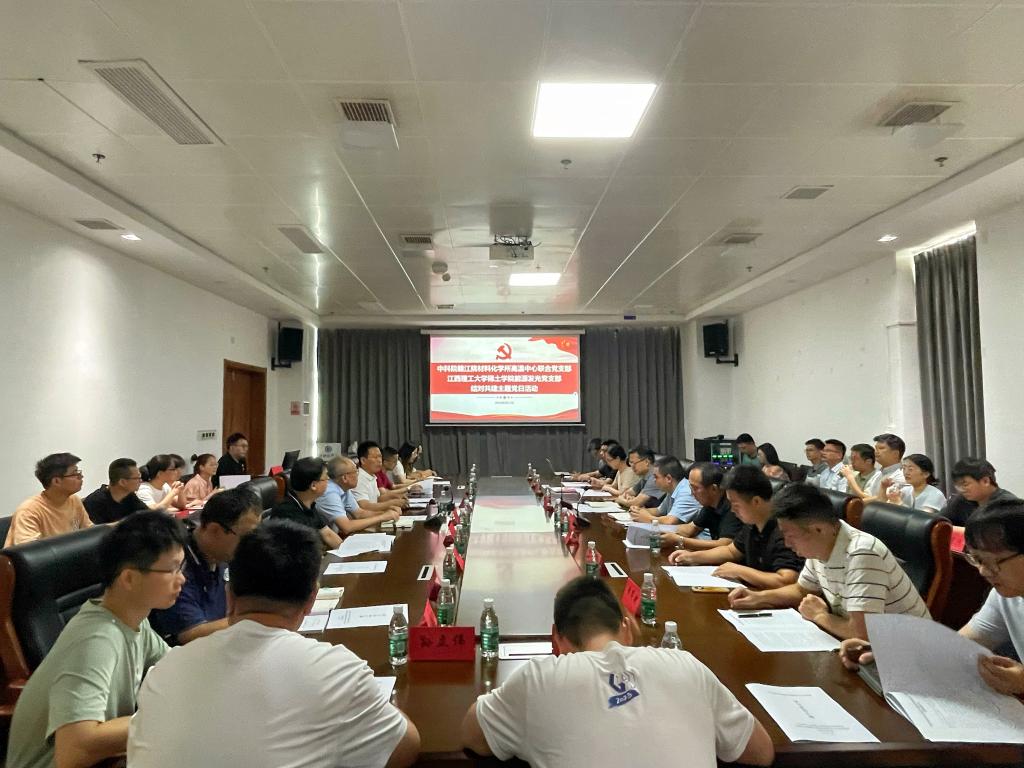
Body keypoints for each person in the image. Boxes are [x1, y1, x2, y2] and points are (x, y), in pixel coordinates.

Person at [128, 520, 421, 768]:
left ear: (230, 597)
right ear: (311, 600)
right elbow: (405, 748)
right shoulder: (337, 671)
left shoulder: (164, 670)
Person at [459, 576, 773, 768]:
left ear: (557, 639)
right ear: (626, 628)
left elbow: (472, 736)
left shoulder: (538, 679)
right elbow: (761, 752)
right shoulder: (685, 664)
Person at [6, 512, 185, 768]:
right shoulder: (97, 638)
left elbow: (177, 666)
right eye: (172, 569)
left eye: (181, 567)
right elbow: (75, 748)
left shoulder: (134, 620)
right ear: (129, 578)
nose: (182, 579)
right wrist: (168, 718)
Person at [840, 499, 1024, 696]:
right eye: (978, 560)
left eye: (993, 562)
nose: (983, 571)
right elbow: (958, 646)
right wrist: (890, 650)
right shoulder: (1005, 597)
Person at [728, 484, 929, 639]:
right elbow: (801, 590)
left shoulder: (862, 553)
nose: (787, 543)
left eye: (790, 535)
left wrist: (820, 616)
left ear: (818, 529)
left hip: (908, 654)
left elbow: (863, 634)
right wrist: (758, 597)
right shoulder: (821, 545)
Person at [149, 488, 262, 645]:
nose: (250, 545)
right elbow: (190, 634)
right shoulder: (175, 565)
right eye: (246, 537)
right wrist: (259, 619)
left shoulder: (224, 554)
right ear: (214, 530)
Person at [669, 466, 804, 590]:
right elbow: (731, 551)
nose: (733, 510)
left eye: (736, 504)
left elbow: (787, 580)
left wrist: (740, 571)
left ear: (756, 501)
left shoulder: (784, 529)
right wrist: (692, 557)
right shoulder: (752, 524)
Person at [6, 452, 92, 546]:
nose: (81, 476)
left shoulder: (74, 500)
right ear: (56, 481)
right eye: (75, 473)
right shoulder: (28, 510)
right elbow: (29, 550)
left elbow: (90, 532)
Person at [660, 462, 744, 551]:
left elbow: (725, 545)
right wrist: (659, 530)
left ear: (714, 489)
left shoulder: (733, 507)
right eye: (690, 487)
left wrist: (679, 540)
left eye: (695, 488)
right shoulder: (710, 504)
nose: (692, 493)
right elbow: (691, 528)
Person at [267, 457, 341, 550]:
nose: (328, 481)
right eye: (326, 478)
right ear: (313, 485)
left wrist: (347, 552)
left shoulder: (308, 504)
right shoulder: (287, 513)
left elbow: (327, 534)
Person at [320, 456, 401, 535]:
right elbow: (347, 527)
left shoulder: (344, 488)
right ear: (344, 478)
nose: (358, 475)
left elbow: (359, 514)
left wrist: (386, 513)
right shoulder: (330, 493)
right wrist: (382, 517)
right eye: (355, 472)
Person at [941, 457, 1018, 526]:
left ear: (985, 481)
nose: (961, 490)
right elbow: (939, 519)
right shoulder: (962, 500)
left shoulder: (1008, 505)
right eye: (958, 485)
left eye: (965, 484)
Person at [629, 456, 700, 527]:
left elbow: (670, 521)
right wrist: (638, 511)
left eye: (656, 477)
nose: (654, 480)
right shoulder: (672, 489)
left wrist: (647, 518)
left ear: (668, 478)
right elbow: (659, 511)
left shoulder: (686, 492)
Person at [82, 458, 148, 524]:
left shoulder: (129, 495)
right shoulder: (95, 502)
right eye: (137, 478)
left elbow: (148, 516)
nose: (141, 481)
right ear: (122, 482)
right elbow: (97, 529)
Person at [354, 441, 408, 510]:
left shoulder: (372, 476)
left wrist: (395, 496)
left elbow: (378, 498)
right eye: (375, 457)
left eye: (380, 457)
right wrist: (392, 503)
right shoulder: (359, 479)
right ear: (363, 460)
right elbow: (365, 506)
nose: (379, 460)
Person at [864, 433, 906, 502]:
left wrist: (859, 502)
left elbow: (885, 498)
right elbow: (866, 494)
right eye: (876, 448)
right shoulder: (878, 474)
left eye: (881, 448)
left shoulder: (902, 475)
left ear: (895, 453)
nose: (876, 452)